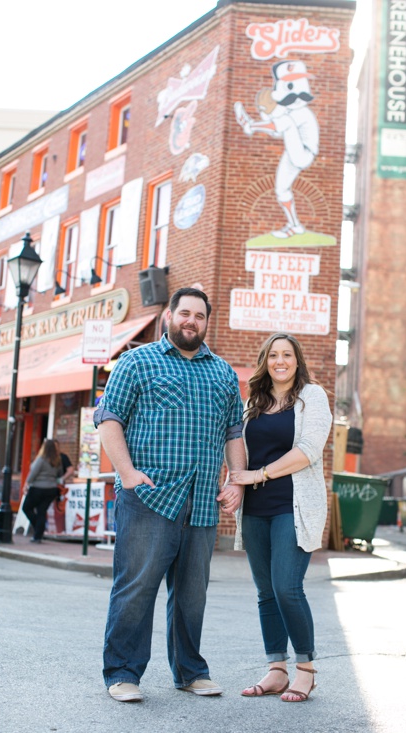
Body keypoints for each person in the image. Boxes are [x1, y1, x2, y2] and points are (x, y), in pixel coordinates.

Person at [93, 287, 246, 703]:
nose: (190, 321)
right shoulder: (137, 362)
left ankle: (190, 672)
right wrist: (126, 473)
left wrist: (236, 480)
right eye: (184, 313)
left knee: (193, 594)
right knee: (136, 588)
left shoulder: (223, 373)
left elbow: (234, 431)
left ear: (206, 322)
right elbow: (108, 418)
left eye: (199, 315)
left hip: (202, 502)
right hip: (150, 497)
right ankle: (122, 672)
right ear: (169, 317)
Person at [228, 333, 333, 703]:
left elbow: (308, 450)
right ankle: (276, 669)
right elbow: (237, 448)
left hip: (293, 506)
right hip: (255, 509)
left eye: (287, 354)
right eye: (273, 355)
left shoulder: (312, 397)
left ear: (297, 360)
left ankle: (305, 671)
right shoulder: (252, 402)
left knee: (287, 587)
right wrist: (235, 483)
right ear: (265, 361)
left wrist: (259, 475)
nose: (280, 361)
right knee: (265, 593)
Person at [20, 439, 64, 543]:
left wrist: (26, 484)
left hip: (38, 488)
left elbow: (33, 473)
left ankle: (39, 529)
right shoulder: (58, 460)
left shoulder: (41, 459)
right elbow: (60, 474)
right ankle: (38, 535)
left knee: (26, 508)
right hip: (51, 489)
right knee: (42, 511)